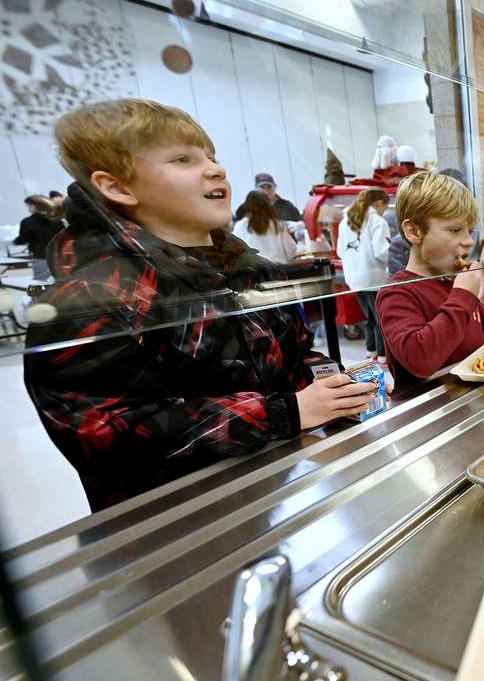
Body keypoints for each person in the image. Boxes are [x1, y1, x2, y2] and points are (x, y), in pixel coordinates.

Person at [23, 99, 376, 511]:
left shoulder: (252, 271)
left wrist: (332, 384)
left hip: (276, 494)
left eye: (212, 156)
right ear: (117, 186)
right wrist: (281, 413)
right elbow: (102, 434)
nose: (216, 169)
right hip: (177, 526)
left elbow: (295, 352)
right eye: (182, 159)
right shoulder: (90, 296)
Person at [376, 172, 484, 385]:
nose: (467, 242)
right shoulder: (398, 293)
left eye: (470, 231)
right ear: (414, 231)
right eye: (455, 230)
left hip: (471, 399)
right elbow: (420, 360)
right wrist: (463, 295)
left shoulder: (450, 282)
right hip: (432, 410)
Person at [337, 188, 391, 362]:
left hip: (354, 278)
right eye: (385, 206)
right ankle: (383, 356)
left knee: (369, 317)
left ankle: (371, 351)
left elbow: (339, 251)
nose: (384, 210)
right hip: (375, 277)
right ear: (378, 203)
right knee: (380, 318)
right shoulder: (377, 221)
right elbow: (382, 252)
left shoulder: (344, 222)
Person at [232, 190, 299, 263]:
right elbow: (291, 250)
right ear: (268, 205)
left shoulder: (240, 226)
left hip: (253, 271)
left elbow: (235, 252)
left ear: (247, 205)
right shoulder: (277, 224)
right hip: (278, 269)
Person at [13, 194, 64, 282]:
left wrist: (14, 242)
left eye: (28, 206)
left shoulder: (27, 222)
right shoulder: (58, 221)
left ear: (34, 206)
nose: (28, 209)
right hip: (59, 258)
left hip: (40, 258)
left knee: (40, 284)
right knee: (58, 284)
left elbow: (23, 239)